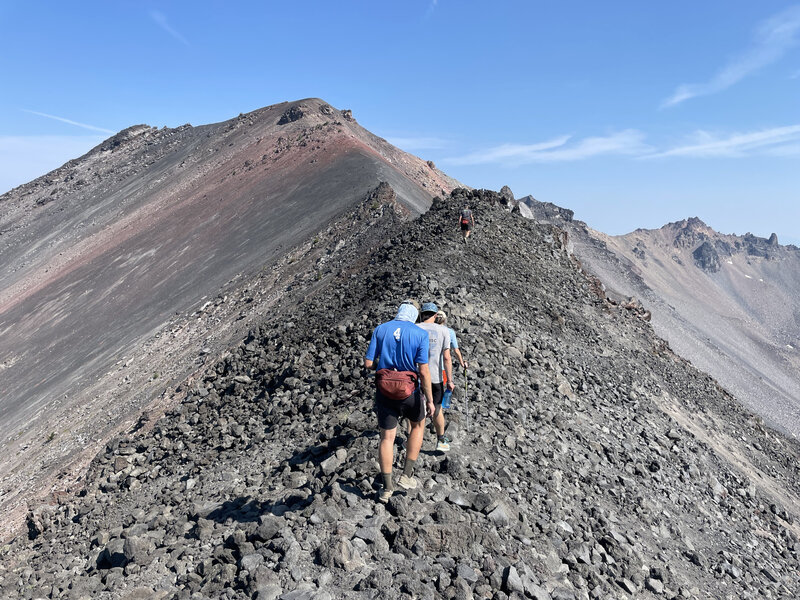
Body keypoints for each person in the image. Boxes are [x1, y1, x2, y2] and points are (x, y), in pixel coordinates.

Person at [365, 300, 435, 503]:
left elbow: (369, 363)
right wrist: (430, 400)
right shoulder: (419, 333)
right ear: (414, 315)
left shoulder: (381, 329)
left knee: (387, 438)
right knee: (418, 425)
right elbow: (423, 371)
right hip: (409, 392)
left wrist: (386, 366)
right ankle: (407, 475)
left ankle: (387, 489)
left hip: (385, 392)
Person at [418, 302, 454, 452]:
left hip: (417, 376)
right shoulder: (444, 331)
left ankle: (412, 440)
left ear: (421, 314)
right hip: (435, 376)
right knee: (438, 409)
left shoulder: (415, 328)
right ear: (435, 315)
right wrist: (450, 380)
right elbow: (446, 358)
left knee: (417, 409)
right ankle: (441, 440)